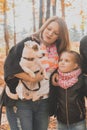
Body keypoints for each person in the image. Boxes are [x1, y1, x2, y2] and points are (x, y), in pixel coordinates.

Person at [4, 16, 70, 130]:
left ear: (60, 37)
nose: (50, 33)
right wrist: (32, 78)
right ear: (44, 26)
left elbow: (65, 68)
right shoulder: (29, 43)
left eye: (55, 33)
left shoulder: (59, 51)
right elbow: (10, 65)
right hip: (22, 101)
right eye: (49, 29)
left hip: (43, 101)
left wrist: (56, 74)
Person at [49, 50, 87, 130]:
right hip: (61, 122)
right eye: (61, 60)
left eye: (67, 61)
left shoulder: (82, 80)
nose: (62, 62)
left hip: (78, 122)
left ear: (75, 65)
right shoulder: (55, 78)